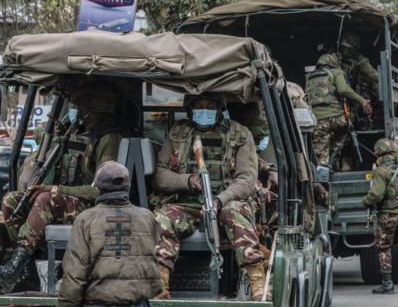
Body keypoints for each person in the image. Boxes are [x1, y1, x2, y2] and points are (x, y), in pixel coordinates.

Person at [0, 80, 124, 293]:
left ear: (95, 111)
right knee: (12, 199)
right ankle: (18, 266)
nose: (76, 114)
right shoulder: (71, 133)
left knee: (45, 200)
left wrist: (57, 191)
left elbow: (101, 190)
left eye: (81, 110)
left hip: (94, 207)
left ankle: (16, 265)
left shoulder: (108, 138)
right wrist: (56, 138)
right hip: (65, 201)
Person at [152, 95, 266, 300]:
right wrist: (187, 181)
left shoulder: (240, 134)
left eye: (210, 106)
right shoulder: (178, 133)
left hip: (227, 202)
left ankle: (257, 282)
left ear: (220, 108)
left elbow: (247, 179)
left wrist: (220, 200)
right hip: (188, 203)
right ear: (190, 109)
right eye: (199, 106)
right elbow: (160, 176)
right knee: (163, 216)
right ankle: (160, 284)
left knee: (236, 213)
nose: (204, 110)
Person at [59, 161, 161, 307]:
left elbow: (74, 274)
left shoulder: (85, 219)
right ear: (127, 187)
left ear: (98, 188)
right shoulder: (147, 217)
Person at [362, 138, 398, 294]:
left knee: (383, 247)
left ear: (379, 155)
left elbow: (376, 195)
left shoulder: (381, 171)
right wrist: (394, 147)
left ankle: (387, 283)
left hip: (389, 214)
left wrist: (365, 201)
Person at [305, 53, 372, 167]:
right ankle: (335, 154)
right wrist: (362, 101)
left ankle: (325, 171)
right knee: (343, 131)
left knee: (320, 155)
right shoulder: (337, 72)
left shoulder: (309, 77)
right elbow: (343, 90)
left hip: (317, 120)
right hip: (337, 118)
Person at [339, 33, 379, 129]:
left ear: (354, 49)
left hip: (353, 94)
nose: (344, 50)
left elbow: (374, 76)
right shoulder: (336, 56)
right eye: (343, 47)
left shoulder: (359, 60)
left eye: (347, 48)